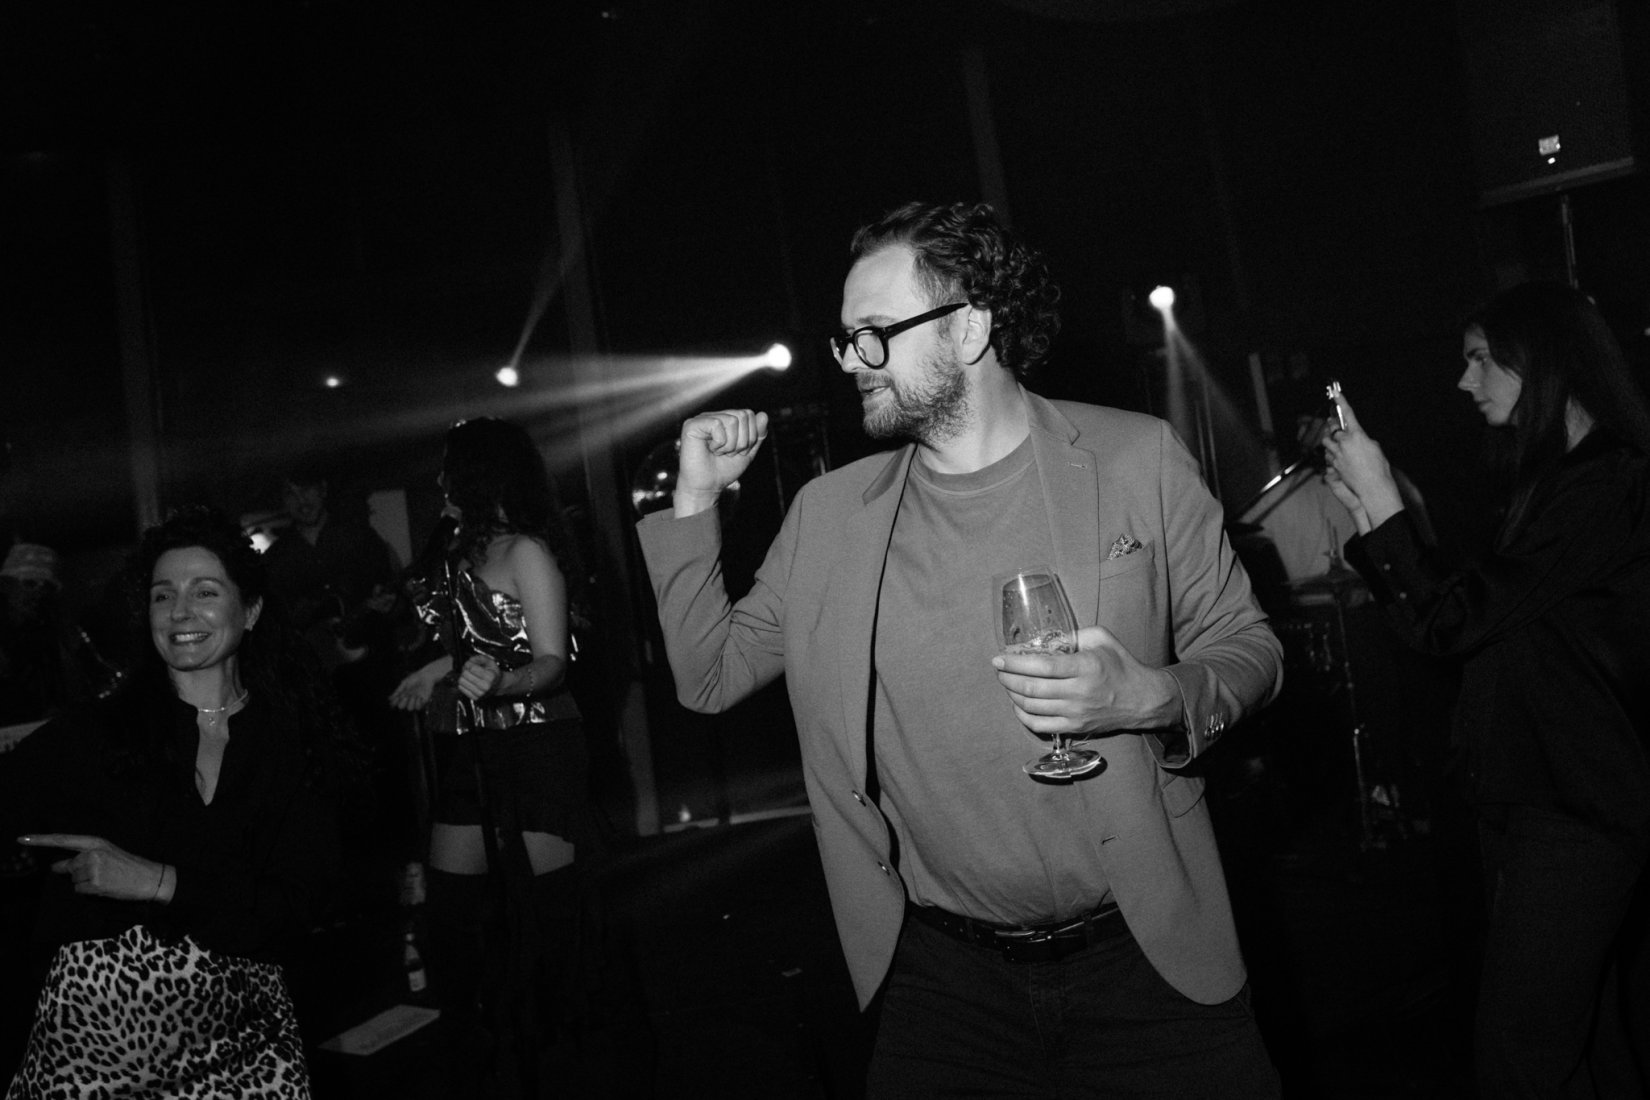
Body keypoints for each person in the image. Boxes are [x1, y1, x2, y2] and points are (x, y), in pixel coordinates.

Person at [636, 201, 1284, 1097]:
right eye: (846, 338)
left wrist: (1154, 698)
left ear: (971, 328)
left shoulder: (1135, 458)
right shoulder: (829, 517)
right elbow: (708, 675)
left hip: (1147, 964)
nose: (851, 360)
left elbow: (1249, 647)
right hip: (945, 988)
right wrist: (694, 502)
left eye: (874, 333)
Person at [1323, 280, 1650, 1097]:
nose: (1464, 381)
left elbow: (1454, 621)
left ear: (1539, 358)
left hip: (1581, 808)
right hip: (1542, 796)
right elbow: (1450, 628)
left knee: (1519, 1056)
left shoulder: (1609, 479)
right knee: (1584, 1046)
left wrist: (1382, 500)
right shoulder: (1556, 481)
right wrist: (1372, 512)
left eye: (1480, 359)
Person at [0, 505, 352, 1098]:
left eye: (204, 592)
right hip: (96, 1056)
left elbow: (297, 905)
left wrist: (157, 881)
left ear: (251, 610)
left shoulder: (293, 744)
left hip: (244, 1051)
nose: (180, 611)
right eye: (163, 596)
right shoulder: (95, 734)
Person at [388, 417, 592, 1096]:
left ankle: (570, 1060)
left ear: (479, 473)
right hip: (475, 744)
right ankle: (480, 1057)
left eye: (450, 467)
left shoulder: (527, 550)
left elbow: (550, 660)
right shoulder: (459, 553)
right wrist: (437, 671)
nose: (440, 481)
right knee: (451, 914)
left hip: (538, 743)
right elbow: (478, 640)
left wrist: (502, 684)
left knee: (551, 918)